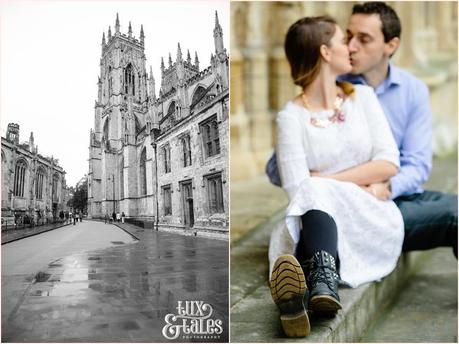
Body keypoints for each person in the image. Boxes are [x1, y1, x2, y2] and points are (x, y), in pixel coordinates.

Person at [266, 2, 457, 258]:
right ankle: (315, 265)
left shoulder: (411, 91)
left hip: (393, 194)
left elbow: (414, 165)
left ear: (391, 45)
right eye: (348, 37)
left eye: (363, 39)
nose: (352, 46)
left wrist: (380, 189)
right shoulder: (331, 86)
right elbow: (283, 172)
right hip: (338, 206)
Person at [269, 15, 404, 338]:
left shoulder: (363, 99)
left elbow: (388, 164)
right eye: (344, 41)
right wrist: (359, 178)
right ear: (326, 52)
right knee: (311, 196)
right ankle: (319, 286)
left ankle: (305, 290)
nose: (351, 48)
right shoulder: (290, 117)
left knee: (315, 189)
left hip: (368, 212)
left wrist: (326, 180)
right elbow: (296, 190)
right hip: (317, 215)